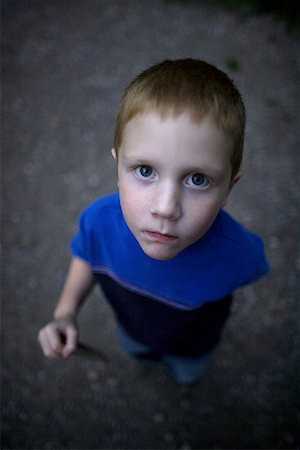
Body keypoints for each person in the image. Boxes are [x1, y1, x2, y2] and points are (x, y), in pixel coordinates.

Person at [38, 59, 269, 384]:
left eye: (198, 179)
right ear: (118, 168)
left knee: (188, 373)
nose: (165, 208)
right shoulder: (98, 221)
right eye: (145, 171)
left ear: (229, 187)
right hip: (131, 329)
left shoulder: (239, 253)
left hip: (194, 345)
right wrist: (65, 312)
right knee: (137, 352)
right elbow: (88, 256)